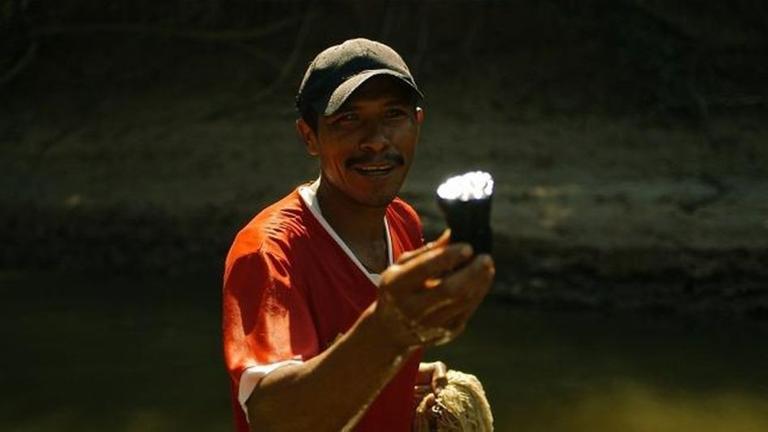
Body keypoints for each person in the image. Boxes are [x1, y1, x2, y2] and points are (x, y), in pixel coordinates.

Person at [222, 38, 495, 432]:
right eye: (348, 119)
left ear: (417, 122)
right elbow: (273, 417)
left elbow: (358, 363)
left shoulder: (403, 222)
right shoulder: (269, 253)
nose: (376, 140)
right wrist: (390, 334)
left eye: (393, 115)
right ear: (309, 136)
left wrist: (398, 372)